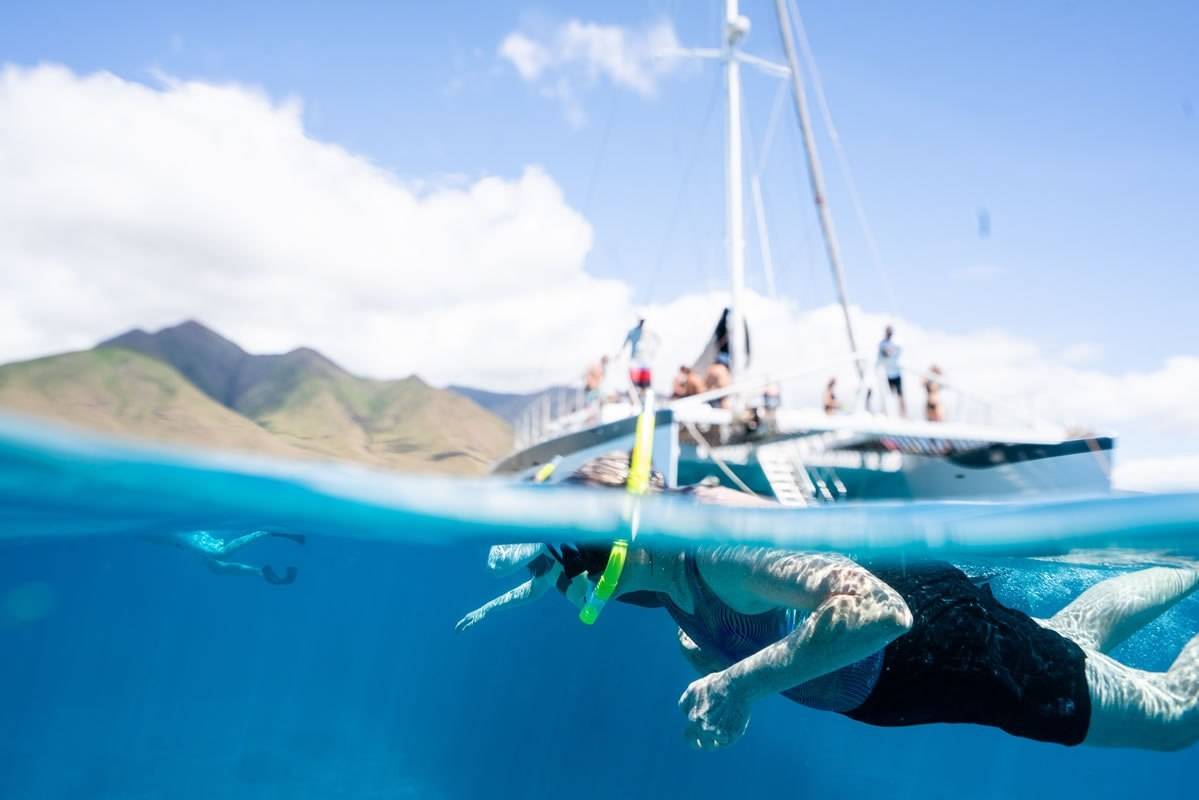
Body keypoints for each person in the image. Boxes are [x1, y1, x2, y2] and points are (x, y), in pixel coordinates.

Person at [458, 454, 1199, 752]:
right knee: (1067, 637)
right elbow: (569, 571)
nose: (572, 582)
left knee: (1173, 717)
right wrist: (517, 590)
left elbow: (877, 609)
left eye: (573, 558)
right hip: (909, 662)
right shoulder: (655, 569)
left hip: (929, 648)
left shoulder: (717, 542)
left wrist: (739, 682)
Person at [164, 529, 305, 584]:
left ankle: (266, 531)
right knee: (216, 568)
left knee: (220, 553)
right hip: (174, 538)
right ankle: (260, 572)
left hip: (177, 533)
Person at [621, 318, 659, 395]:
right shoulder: (632, 332)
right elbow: (624, 344)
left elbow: (657, 341)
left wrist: (652, 353)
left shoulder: (648, 332)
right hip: (635, 360)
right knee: (634, 382)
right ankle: (636, 395)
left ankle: (644, 394)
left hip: (645, 361)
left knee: (645, 383)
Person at [878, 325, 906, 417]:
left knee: (900, 395)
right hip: (887, 374)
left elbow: (897, 352)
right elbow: (883, 355)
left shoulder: (896, 343)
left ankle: (903, 415)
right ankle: (888, 414)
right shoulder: (882, 344)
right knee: (889, 395)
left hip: (897, 373)